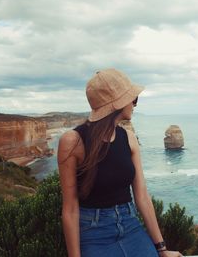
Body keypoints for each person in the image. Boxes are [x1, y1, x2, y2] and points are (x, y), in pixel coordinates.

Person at [57, 68, 183, 257]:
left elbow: (142, 197)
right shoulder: (73, 141)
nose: (134, 104)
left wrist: (161, 249)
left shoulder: (129, 138)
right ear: (118, 103)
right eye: (133, 99)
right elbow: (70, 209)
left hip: (130, 224)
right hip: (93, 232)